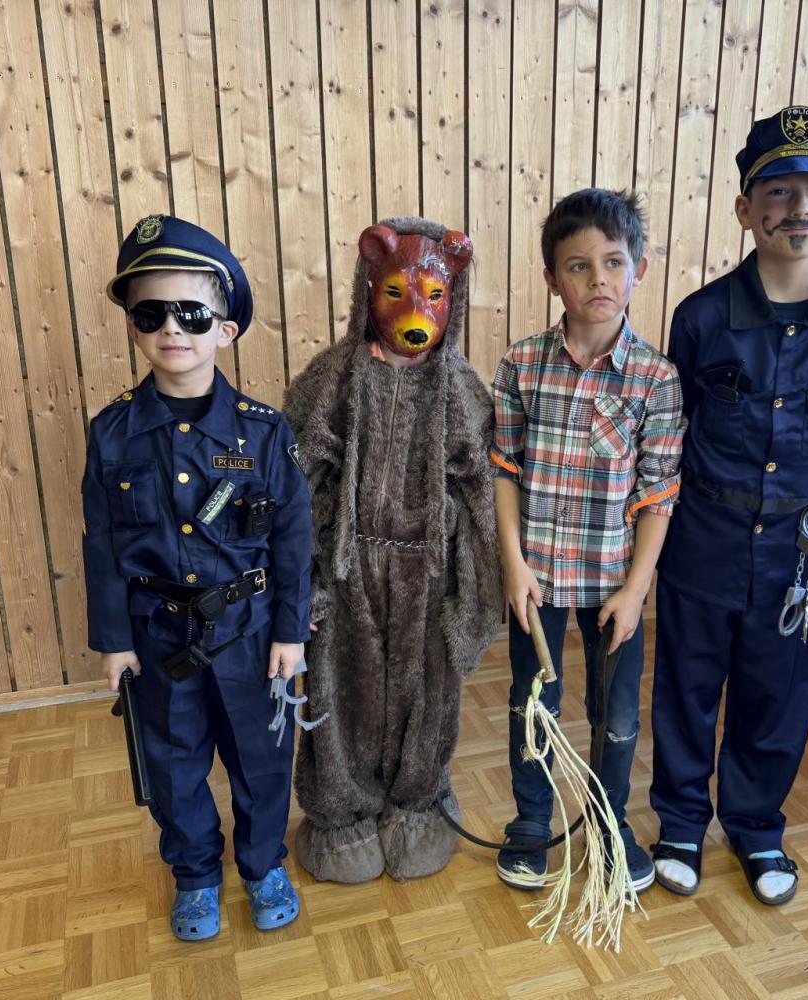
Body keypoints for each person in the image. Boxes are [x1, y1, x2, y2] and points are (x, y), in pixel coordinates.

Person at [650, 107, 808, 905]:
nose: (800, 208)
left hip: (796, 545)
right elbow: (678, 426)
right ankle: (680, 821)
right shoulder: (701, 317)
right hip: (705, 533)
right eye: (779, 191)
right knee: (687, 680)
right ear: (745, 208)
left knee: (777, 686)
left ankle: (756, 827)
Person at [82, 215, 313, 940]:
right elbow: (101, 543)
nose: (171, 329)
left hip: (250, 632)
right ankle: (195, 877)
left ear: (226, 329)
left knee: (261, 760)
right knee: (174, 763)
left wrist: (291, 633)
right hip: (157, 636)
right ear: (132, 327)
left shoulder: (265, 432)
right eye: (151, 314)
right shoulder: (111, 432)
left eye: (192, 313)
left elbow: (293, 540)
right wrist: (113, 640)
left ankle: (264, 865)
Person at [283, 218, 502, 884]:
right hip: (346, 569)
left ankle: (417, 804)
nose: (416, 314)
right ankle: (339, 814)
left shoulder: (461, 390)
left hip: (428, 574)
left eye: (434, 295)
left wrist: (477, 594)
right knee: (338, 689)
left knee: (428, 693)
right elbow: (293, 484)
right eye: (397, 293)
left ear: (453, 298)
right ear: (368, 288)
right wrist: (302, 585)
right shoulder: (333, 381)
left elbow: (483, 498)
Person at [491, 189, 685, 892]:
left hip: (613, 584)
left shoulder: (656, 378)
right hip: (536, 577)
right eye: (578, 266)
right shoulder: (522, 365)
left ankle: (609, 824)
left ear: (638, 269)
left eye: (613, 262)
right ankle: (530, 824)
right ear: (552, 279)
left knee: (617, 715)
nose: (597, 279)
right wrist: (513, 566)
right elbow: (504, 470)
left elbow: (658, 494)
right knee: (532, 701)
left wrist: (636, 591)